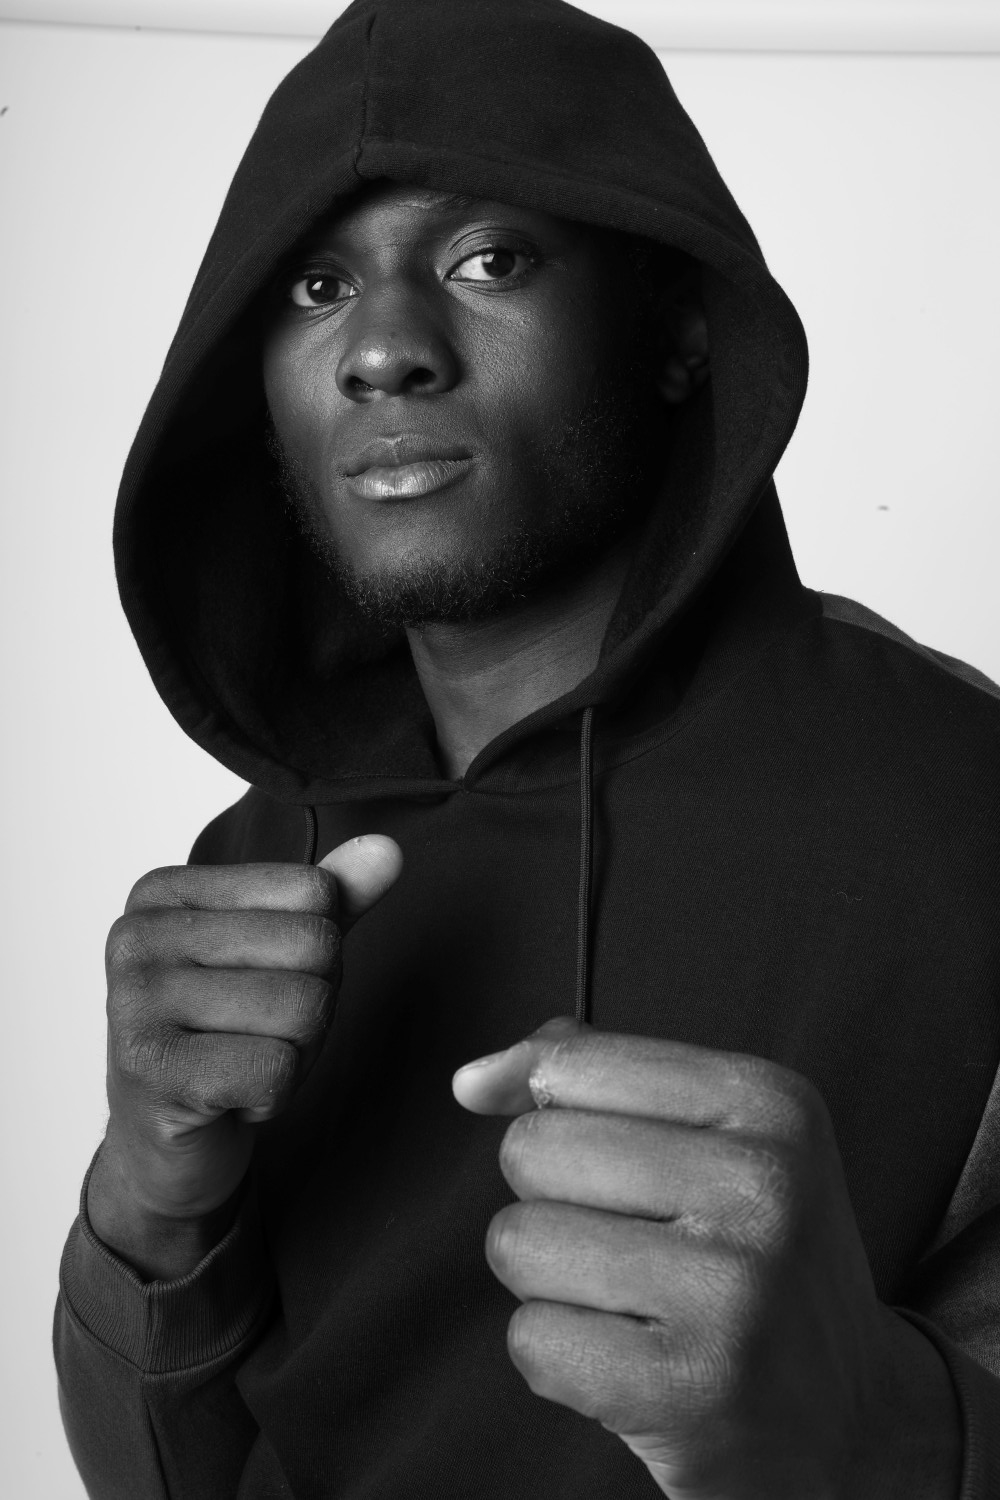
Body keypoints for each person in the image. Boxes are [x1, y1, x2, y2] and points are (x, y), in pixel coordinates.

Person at [54, 0, 1000, 1494]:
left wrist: (879, 1420)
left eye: (488, 260)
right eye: (316, 285)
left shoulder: (962, 811)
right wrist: (150, 1209)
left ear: (677, 331)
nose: (382, 349)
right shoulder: (259, 862)